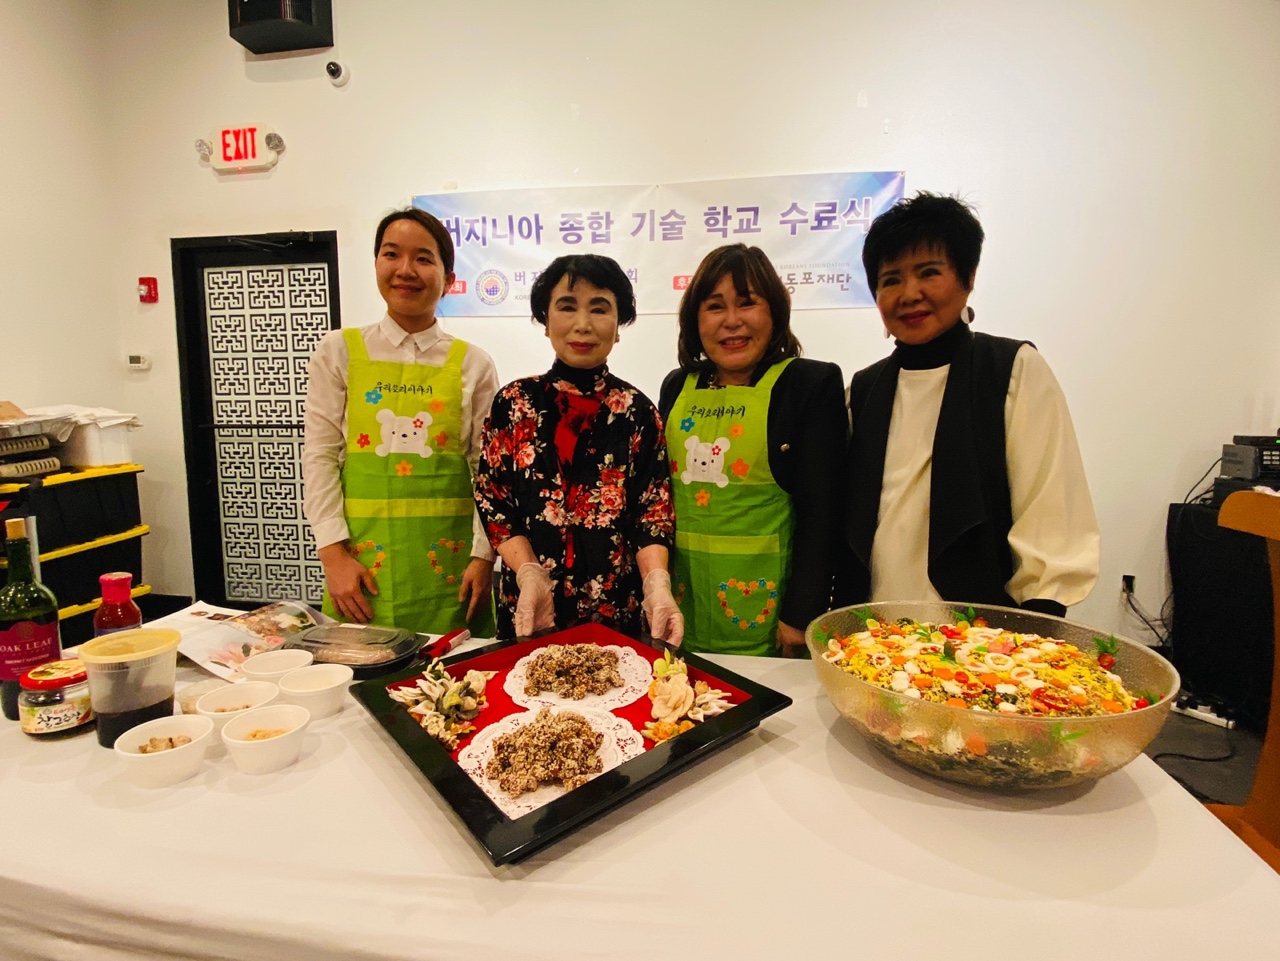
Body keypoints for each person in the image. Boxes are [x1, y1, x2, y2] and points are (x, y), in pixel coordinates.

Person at [838, 192, 1099, 615]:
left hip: (981, 632)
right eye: (891, 280)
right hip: (871, 629)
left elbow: (1049, 509)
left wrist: (1038, 625)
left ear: (968, 277)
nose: (910, 293)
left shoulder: (1011, 370)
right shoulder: (864, 390)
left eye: (929, 272)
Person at [303, 207, 498, 635]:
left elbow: (487, 473)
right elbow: (319, 457)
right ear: (376, 263)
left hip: (452, 570)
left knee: (456, 674)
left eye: (424, 258)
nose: (405, 270)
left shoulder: (473, 363)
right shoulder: (339, 351)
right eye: (392, 254)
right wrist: (332, 556)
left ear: (449, 278)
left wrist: (484, 557)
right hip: (360, 568)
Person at [474, 254, 682, 643]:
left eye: (599, 309)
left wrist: (657, 583)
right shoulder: (514, 403)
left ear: (618, 327)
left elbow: (652, 512)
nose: (583, 324)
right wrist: (529, 572)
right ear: (546, 321)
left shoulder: (638, 412)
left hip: (616, 611)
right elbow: (494, 499)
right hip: (532, 606)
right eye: (567, 307)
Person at [658, 245, 847, 657]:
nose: (732, 321)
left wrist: (801, 617)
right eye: (714, 306)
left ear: (774, 311)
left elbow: (824, 513)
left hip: (770, 614)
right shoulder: (676, 385)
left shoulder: (808, 384)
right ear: (695, 319)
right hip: (683, 607)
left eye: (747, 303)